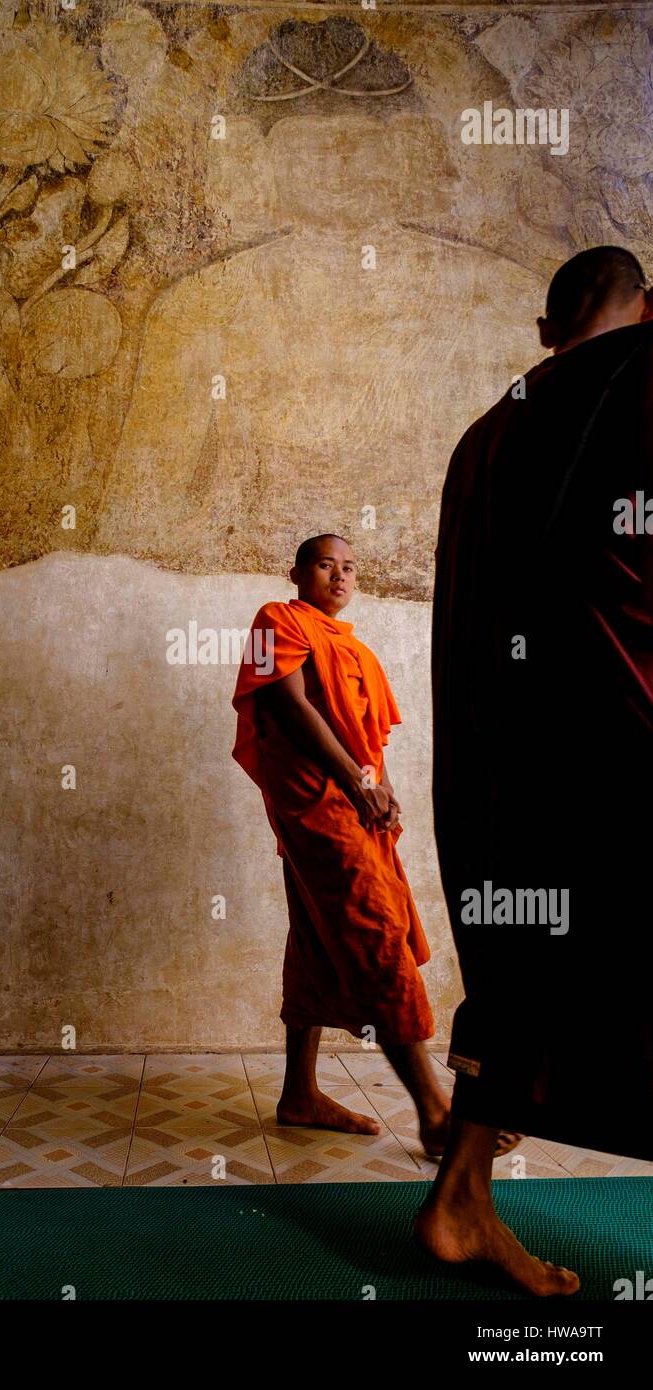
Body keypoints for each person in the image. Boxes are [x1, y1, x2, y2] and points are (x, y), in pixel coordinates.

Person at [419, 246, 653, 1295]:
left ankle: (460, 1195)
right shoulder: (640, 381)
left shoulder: (485, 431)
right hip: (611, 747)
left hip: (498, 767)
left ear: (545, 327)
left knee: (518, 980)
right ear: (642, 307)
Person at [232, 534, 520, 1154]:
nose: (339, 575)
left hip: (353, 803)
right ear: (297, 573)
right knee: (374, 937)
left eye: (349, 567)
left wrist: (381, 795)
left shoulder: (354, 647)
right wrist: (356, 786)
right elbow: (290, 707)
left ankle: (299, 1094)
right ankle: (436, 1112)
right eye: (324, 564)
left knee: (316, 936)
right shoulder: (276, 620)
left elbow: (370, 740)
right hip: (315, 802)